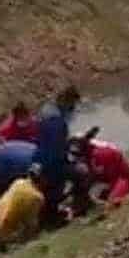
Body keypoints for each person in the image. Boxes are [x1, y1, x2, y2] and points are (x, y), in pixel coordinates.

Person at [34, 85, 81, 225]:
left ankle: (50, 215)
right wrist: (69, 155)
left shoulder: (47, 109)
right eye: (73, 104)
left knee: (51, 193)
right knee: (81, 173)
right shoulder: (56, 121)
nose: (73, 109)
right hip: (52, 164)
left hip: (40, 158)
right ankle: (74, 207)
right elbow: (56, 149)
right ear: (67, 101)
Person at [0, 164, 47, 246]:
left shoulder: (18, 182)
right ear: (42, 179)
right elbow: (31, 224)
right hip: (2, 236)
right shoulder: (37, 197)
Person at [70, 129, 129, 213]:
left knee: (110, 205)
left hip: (120, 176)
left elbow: (119, 173)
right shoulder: (89, 153)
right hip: (107, 173)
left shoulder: (100, 153)